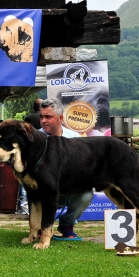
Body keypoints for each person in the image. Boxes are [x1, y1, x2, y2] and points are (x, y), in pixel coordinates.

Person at [39, 98, 93, 240]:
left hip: (68, 190)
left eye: (48, 117)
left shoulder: (75, 138)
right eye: (41, 116)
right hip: (42, 193)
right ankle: (40, 228)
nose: (43, 121)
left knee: (86, 194)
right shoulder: (34, 139)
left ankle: (66, 225)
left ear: (60, 118)